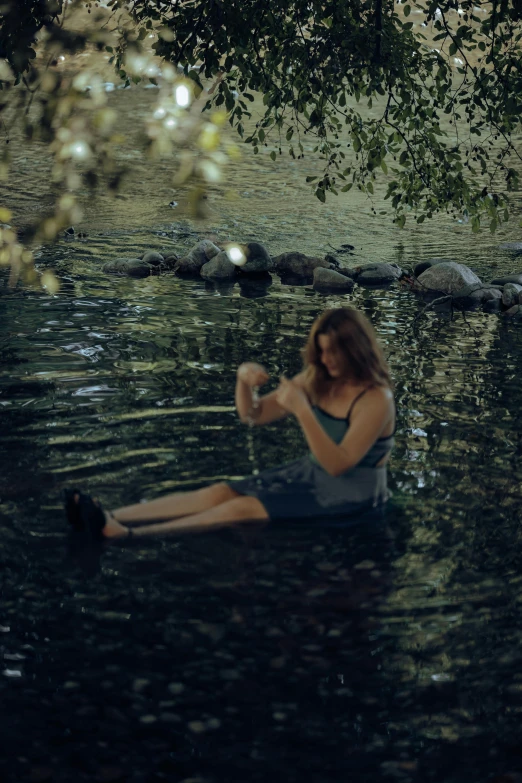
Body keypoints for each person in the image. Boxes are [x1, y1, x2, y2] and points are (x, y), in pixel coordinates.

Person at [65, 307, 395, 540]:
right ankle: (110, 514)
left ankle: (126, 534)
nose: (326, 360)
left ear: (356, 350)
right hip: (308, 474)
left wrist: (303, 410)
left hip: (354, 493)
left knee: (242, 507)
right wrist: (242, 381)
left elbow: (338, 465)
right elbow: (254, 415)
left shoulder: (376, 399)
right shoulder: (317, 377)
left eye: (334, 353)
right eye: (321, 352)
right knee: (221, 491)